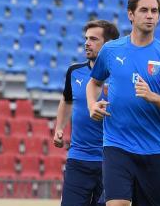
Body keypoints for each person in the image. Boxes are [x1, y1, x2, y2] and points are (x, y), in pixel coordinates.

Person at [86, 0, 160, 206]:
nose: (150, 15)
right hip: (117, 145)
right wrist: (92, 104)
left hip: (153, 150)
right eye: (144, 10)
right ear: (131, 15)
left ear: (159, 17)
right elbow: (94, 82)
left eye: (154, 11)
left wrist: (153, 97)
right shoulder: (111, 50)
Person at [55, 20, 120, 206]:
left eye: (93, 39)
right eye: (86, 38)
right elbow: (67, 100)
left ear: (108, 45)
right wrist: (59, 128)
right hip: (78, 158)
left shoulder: (121, 76)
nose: (87, 43)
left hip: (111, 161)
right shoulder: (74, 72)